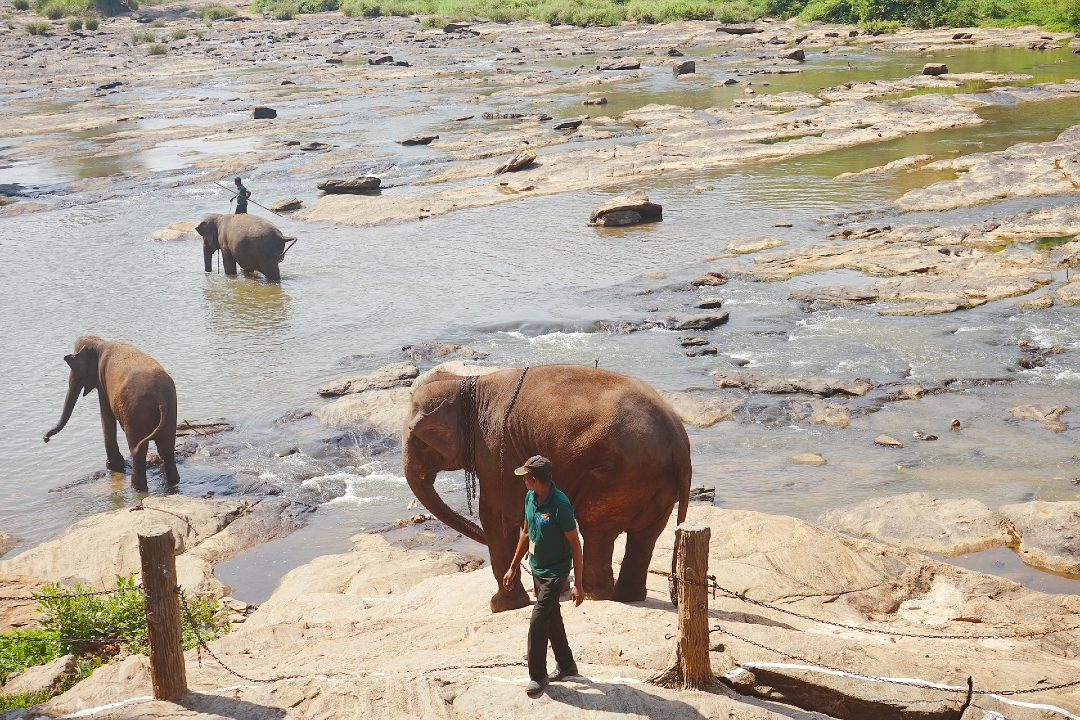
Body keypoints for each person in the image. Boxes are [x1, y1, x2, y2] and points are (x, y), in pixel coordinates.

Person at [502, 455, 584, 697]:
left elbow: (576, 545)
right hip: (537, 568)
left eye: (525, 477)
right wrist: (513, 567)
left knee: (538, 621)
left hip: (556, 573)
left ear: (535, 479)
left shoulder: (561, 505)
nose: (523, 481)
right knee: (551, 617)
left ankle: (538, 676)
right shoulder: (530, 497)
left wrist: (578, 584)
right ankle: (567, 665)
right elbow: (526, 533)